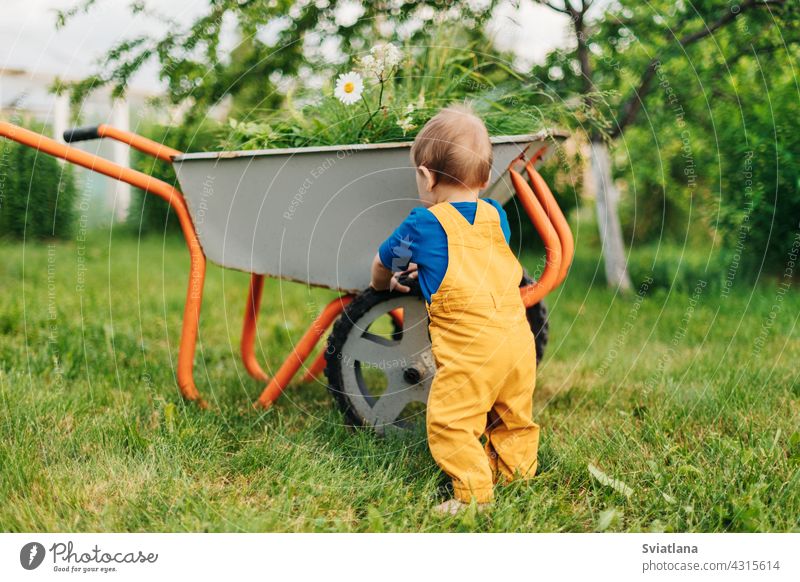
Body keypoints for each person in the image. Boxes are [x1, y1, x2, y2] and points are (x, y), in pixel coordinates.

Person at [370, 104, 540, 514]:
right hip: (518, 342)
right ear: (483, 176)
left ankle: (474, 495)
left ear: (427, 177)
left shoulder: (420, 223)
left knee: (451, 421)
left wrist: (383, 286)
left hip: (472, 353)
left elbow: (382, 263)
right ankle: (517, 473)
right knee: (513, 413)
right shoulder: (496, 215)